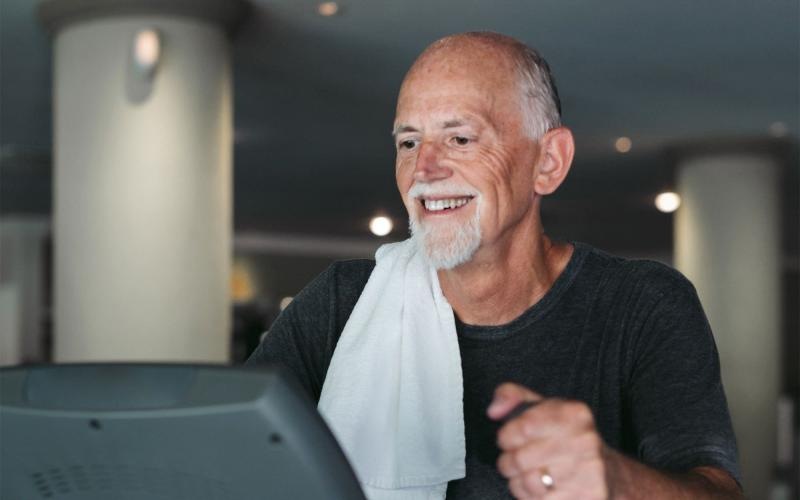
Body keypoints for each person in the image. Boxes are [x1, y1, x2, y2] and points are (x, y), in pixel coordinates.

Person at [247, 32, 743, 499]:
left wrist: (615, 480)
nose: (424, 169)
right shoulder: (340, 303)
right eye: (408, 142)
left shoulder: (643, 305)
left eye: (460, 139)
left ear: (548, 162)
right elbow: (225, 450)